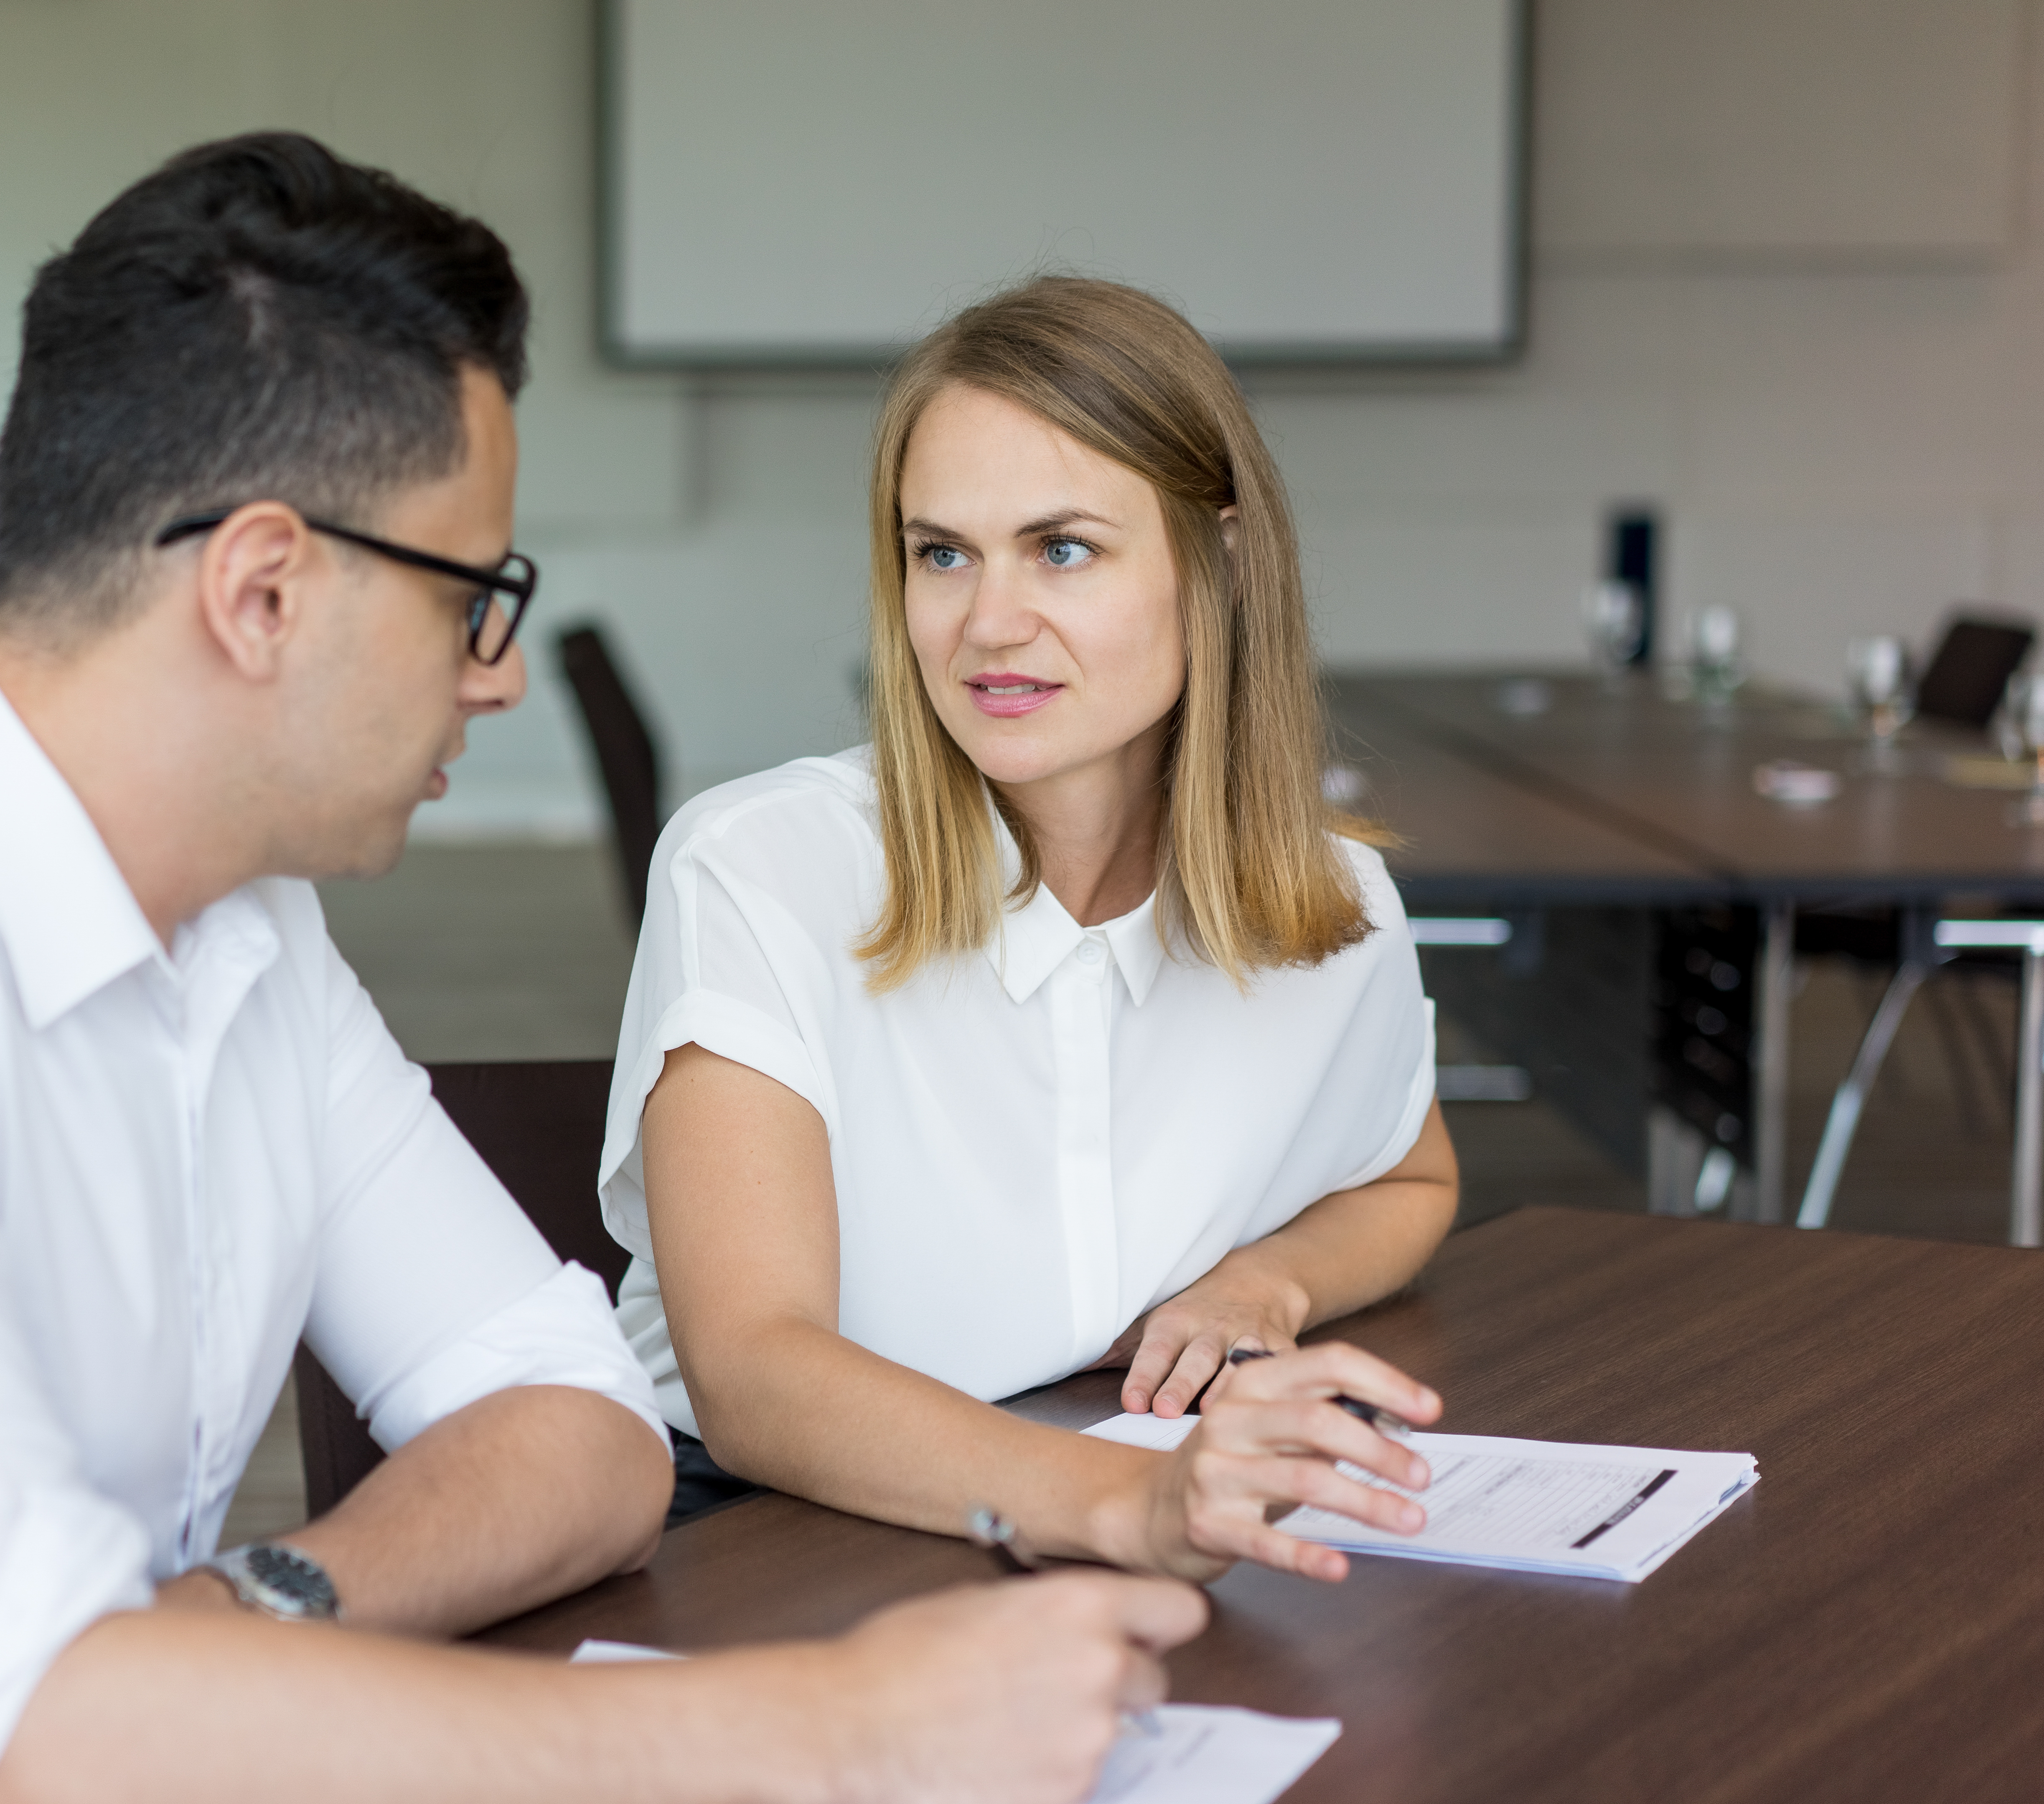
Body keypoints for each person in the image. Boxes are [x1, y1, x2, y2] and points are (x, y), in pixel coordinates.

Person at [0, 142, 1207, 1804]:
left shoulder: (249, 932)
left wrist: (235, 1617)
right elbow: (48, 1764)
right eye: (476, 597)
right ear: (261, 588)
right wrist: (845, 1721)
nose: (497, 672)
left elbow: (581, 1429)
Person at [605, 277, 1460, 1575]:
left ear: (1217, 562)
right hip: (763, 1531)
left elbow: (1408, 1179)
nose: (986, 624)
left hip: (1094, 1480)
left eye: (1061, 548)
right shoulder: (762, 867)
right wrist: (1131, 1505)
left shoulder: (1332, 908)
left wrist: (1260, 1286)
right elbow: (754, 1376)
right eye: (941, 552)